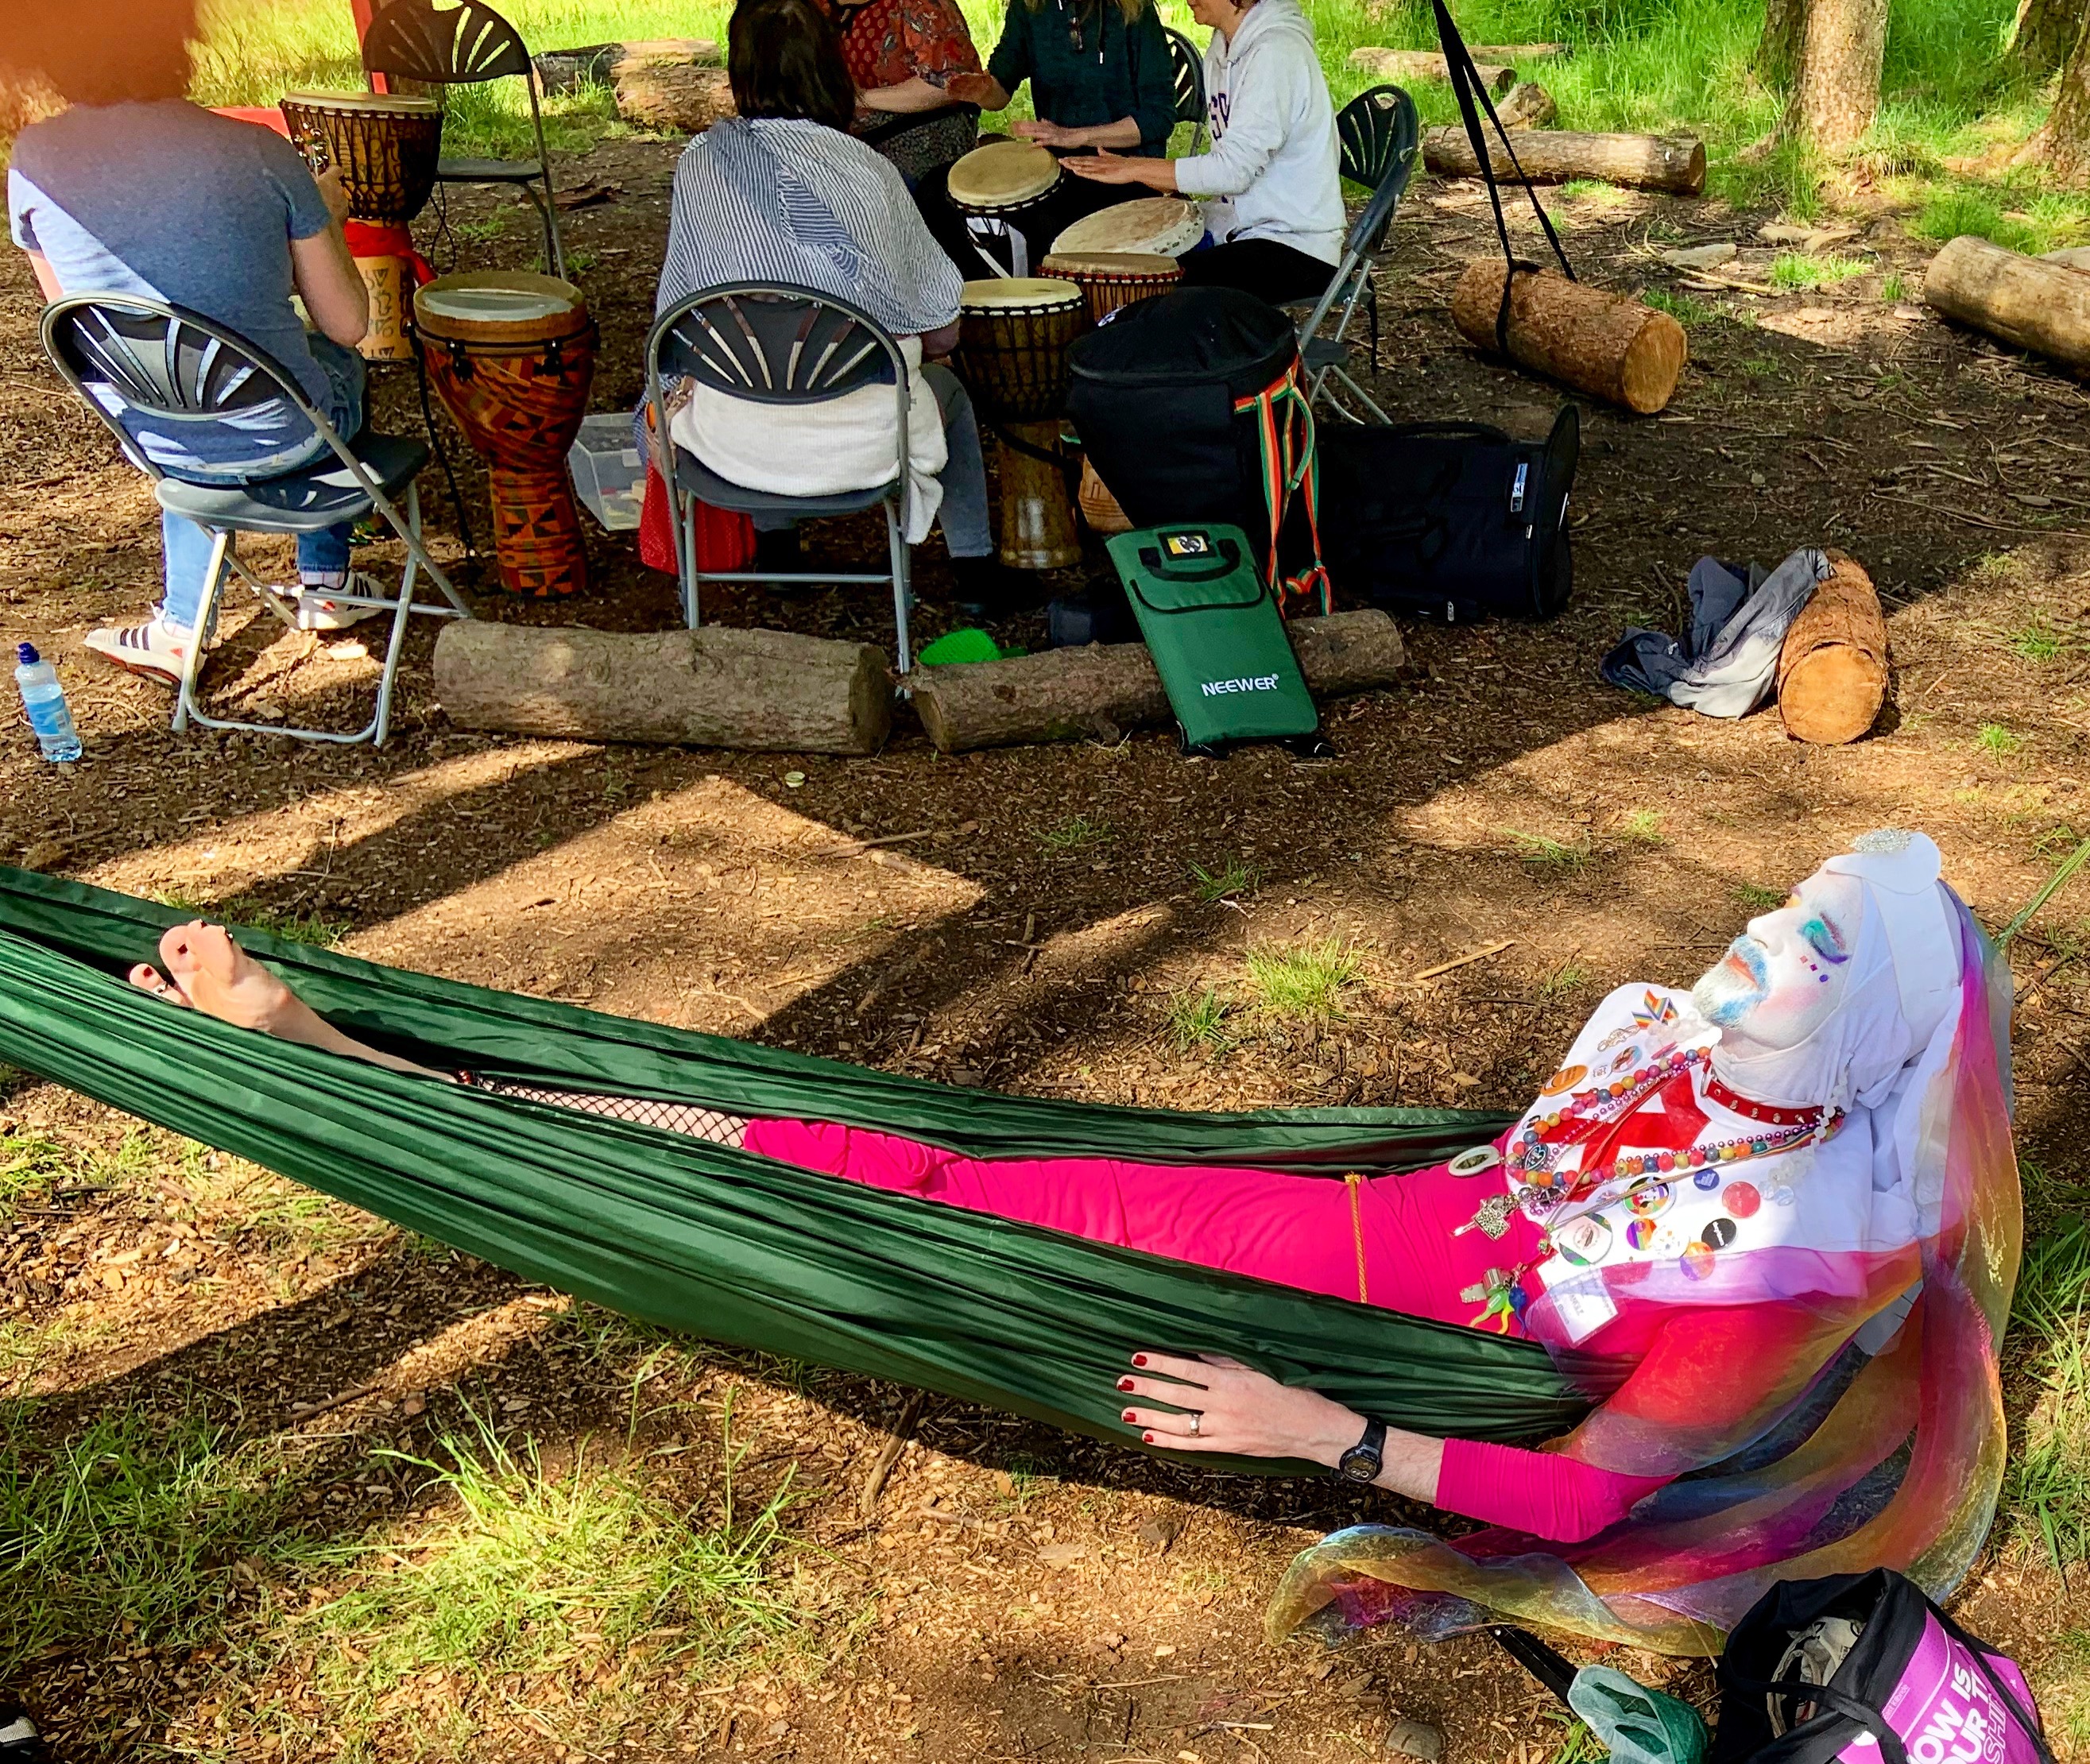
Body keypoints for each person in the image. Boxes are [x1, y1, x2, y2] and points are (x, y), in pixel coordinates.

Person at [130, 830, 2015, 1650]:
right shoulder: (1688, 1052)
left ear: (1870, 1043)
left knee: (856, 1179)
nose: (1767, 942)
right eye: (1785, 901)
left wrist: (1322, 1434)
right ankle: (379, 1067)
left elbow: (1593, 1504)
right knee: (860, 1153)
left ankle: (340, 1062)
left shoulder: (1791, 1257)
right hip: (1313, 1210)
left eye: (1819, 946)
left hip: (1321, 1301)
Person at [5, 0, 381, 687]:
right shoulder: (260, 152)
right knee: (340, 367)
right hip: (288, 436)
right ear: (182, 45)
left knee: (188, 396)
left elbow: (76, 321)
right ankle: (326, 585)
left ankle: (182, 627)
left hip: (157, 441)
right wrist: (327, 218)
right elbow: (348, 324)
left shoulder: (31, 161)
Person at [650, 0, 1021, 614]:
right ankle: (976, 573)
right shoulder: (871, 172)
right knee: (946, 393)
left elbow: (676, 320)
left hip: (728, 444)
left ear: (740, 73)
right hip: (865, 442)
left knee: (758, 363)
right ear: (834, 69)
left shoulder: (699, 168)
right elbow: (942, 334)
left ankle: (777, 553)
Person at [1065, 0, 1342, 305]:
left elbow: (1233, 171)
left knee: (1158, 290)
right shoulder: (1222, 48)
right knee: (1129, 270)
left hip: (1296, 246)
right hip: (1241, 229)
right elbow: (1229, 168)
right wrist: (1145, 174)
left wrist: (1134, 169)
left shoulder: (1276, 53)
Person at [924, 0, 1178, 273]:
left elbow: (1158, 117)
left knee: (1040, 219)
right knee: (937, 189)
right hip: (1056, 166)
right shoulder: (1030, 7)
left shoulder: (1133, 10)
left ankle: (1035, 294)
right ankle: (982, 300)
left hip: (1123, 170)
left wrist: (1077, 137)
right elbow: (1000, 89)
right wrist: (983, 91)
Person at [821, 0, 986, 185]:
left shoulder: (918, 5)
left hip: (919, 141)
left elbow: (950, 85)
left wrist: (861, 98)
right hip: (841, 148)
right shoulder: (810, 9)